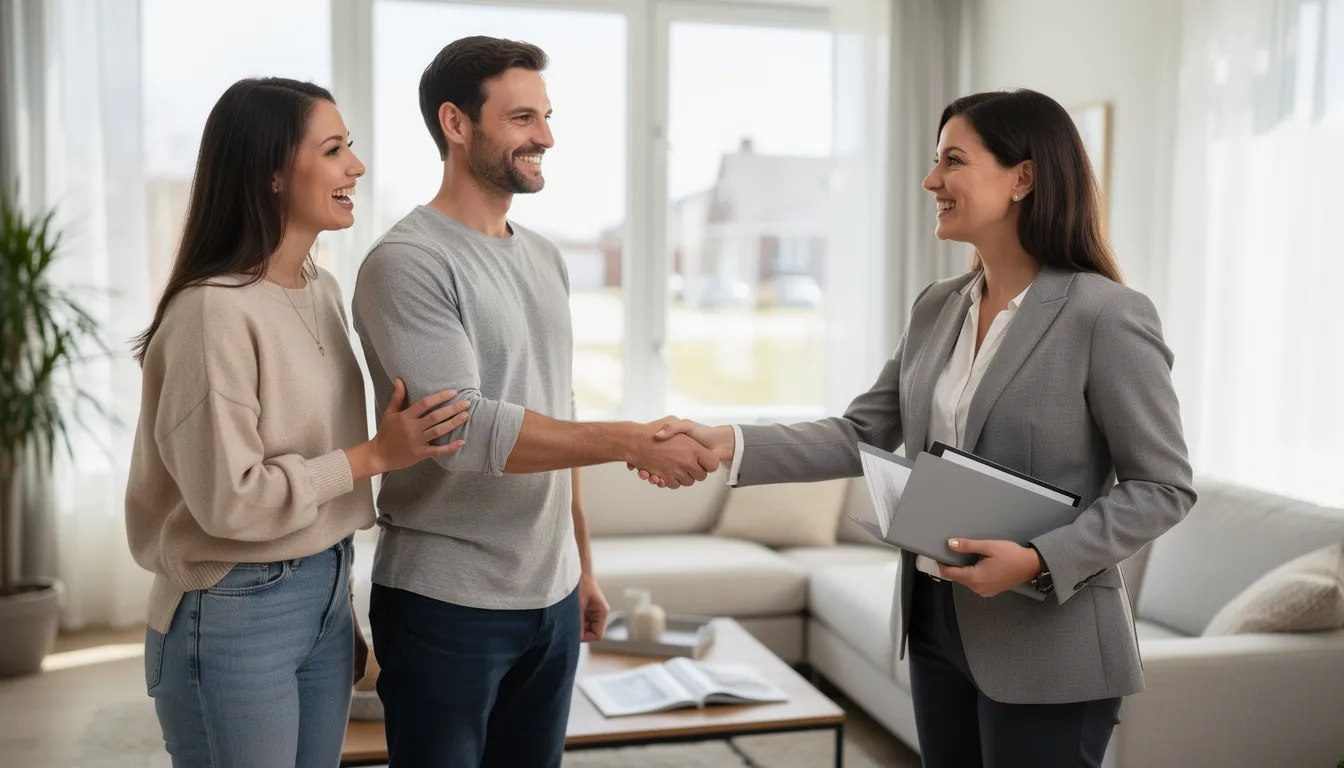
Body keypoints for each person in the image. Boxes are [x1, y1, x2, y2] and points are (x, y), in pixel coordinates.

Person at [641, 89, 1197, 767]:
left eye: (953, 161)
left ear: (1023, 177)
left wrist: (1040, 561)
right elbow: (860, 432)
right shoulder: (938, 307)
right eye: (936, 161)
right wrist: (728, 441)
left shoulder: (1105, 316)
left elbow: (1163, 485)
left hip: (1048, 639)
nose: (932, 180)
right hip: (935, 622)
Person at [349, 36, 718, 768]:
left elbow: (558, 408)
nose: (545, 136)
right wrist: (633, 441)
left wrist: (580, 562)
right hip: (445, 603)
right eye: (522, 118)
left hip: (548, 599)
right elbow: (470, 431)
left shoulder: (545, 257)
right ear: (457, 125)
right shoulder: (408, 263)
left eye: (545, 116)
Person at [125, 77, 468, 768]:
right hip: (233, 606)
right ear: (273, 173)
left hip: (323, 587)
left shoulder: (323, 289)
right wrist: (375, 455)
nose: (357, 168)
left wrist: (333, 601)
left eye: (352, 148)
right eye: (335, 149)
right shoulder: (211, 314)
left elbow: (312, 451)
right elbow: (231, 501)